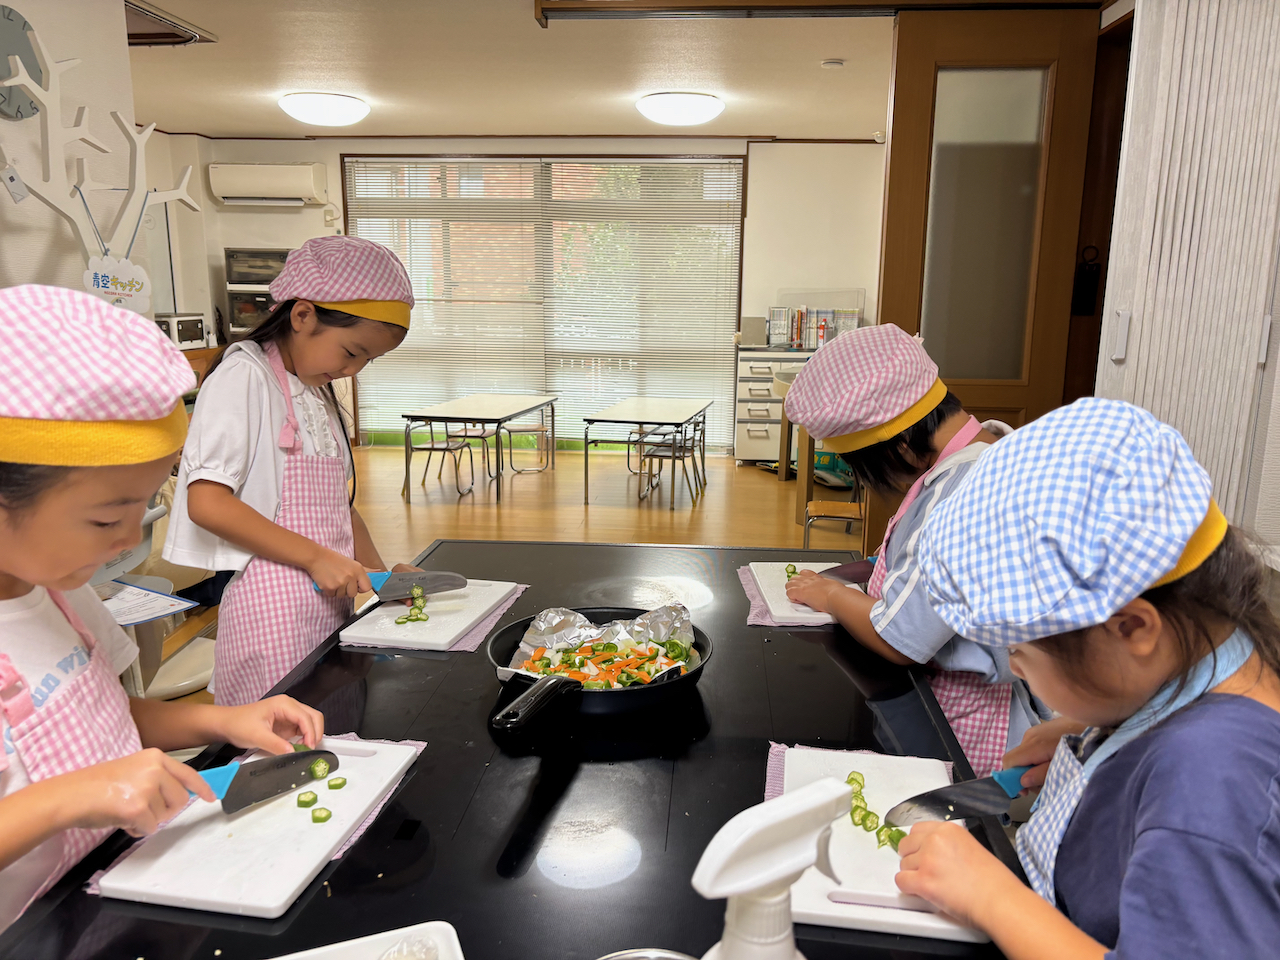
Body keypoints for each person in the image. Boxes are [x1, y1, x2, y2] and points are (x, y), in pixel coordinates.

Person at [896, 397, 1280, 959]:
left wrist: (991, 895)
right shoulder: (1217, 657)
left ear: (1133, 629)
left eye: (1020, 651)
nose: (1015, 668)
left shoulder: (1211, 784)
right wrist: (1107, 735)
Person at [0, 285, 325, 931]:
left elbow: (109, 714)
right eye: (105, 519)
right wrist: (65, 799)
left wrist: (223, 721)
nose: (130, 539)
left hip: (109, 893)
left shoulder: (59, 592)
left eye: (147, 504)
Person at [164, 236, 419, 706]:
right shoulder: (244, 377)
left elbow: (338, 510)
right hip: (272, 615)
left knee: (327, 727)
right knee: (275, 740)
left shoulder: (314, 388)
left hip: (327, 607)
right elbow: (207, 502)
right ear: (303, 316)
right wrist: (316, 558)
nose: (355, 370)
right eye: (352, 352)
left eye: (369, 360)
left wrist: (382, 578)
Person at [780, 324, 1044, 776]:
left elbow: (898, 637)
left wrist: (831, 595)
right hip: (975, 702)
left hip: (961, 721)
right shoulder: (991, 449)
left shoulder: (958, 499)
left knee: (943, 809)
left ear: (901, 445)